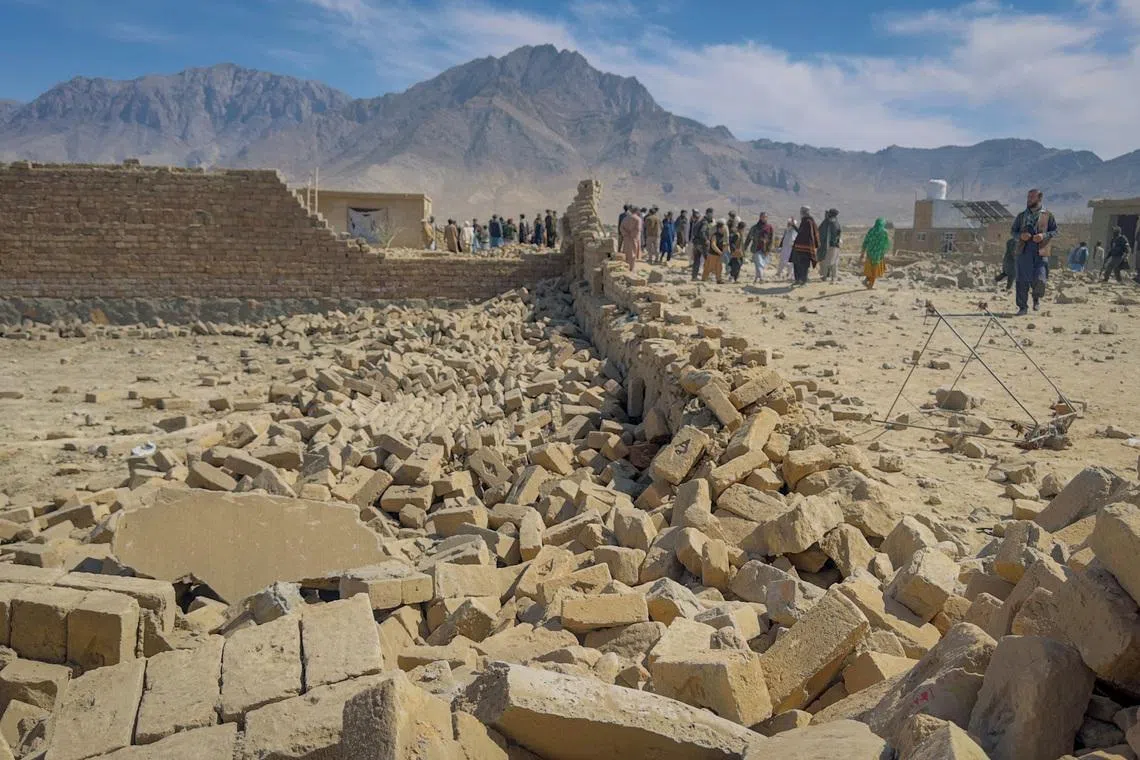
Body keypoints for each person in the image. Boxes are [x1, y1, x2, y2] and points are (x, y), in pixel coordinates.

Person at [1010, 188, 1058, 315]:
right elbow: (1013, 232)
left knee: (1040, 279)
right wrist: (1020, 236)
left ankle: (1036, 298)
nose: (1029, 200)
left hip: (1040, 251)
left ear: (1039, 198)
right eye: (1028, 197)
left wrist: (1043, 236)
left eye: (1032, 197)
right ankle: (1022, 307)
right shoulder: (1021, 216)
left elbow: (1055, 231)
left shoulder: (1048, 215)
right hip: (1024, 251)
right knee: (1022, 280)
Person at [790, 207, 820, 285]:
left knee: (804, 265)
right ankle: (798, 280)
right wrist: (793, 225)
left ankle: (803, 281)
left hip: (805, 247)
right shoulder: (806, 221)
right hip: (799, 247)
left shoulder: (808, 221)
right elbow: (801, 232)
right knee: (796, 263)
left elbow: (808, 234)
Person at [860, 218, 890, 288]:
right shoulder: (884, 232)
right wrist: (884, 251)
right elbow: (886, 243)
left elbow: (866, 241)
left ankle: (867, 280)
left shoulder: (871, 230)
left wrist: (862, 252)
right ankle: (870, 285)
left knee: (870, 268)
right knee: (875, 270)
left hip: (870, 253)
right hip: (878, 255)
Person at [746, 213, 774, 283]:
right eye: (762, 217)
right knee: (759, 263)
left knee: (761, 264)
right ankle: (761, 278)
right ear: (760, 217)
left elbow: (771, 239)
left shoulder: (769, 227)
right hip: (756, 248)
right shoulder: (755, 227)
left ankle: (756, 277)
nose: (764, 218)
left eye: (765, 217)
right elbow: (749, 237)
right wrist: (745, 247)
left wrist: (769, 249)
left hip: (765, 249)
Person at [818, 208, 842, 282]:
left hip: (830, 245)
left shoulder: (830, 223)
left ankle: (825, 276)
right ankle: (834, 277)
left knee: (826, 261)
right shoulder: (837, 223)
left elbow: (823, 233)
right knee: (834, 261)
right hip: (836, 245)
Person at [691, 208, 714, 280]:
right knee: (708, 260)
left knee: (697, 260)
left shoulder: (700, 221)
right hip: (702, 244)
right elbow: (702, 232)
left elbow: (694, 231)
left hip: (696, 243)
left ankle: (694, 276)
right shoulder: (704, 222)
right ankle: (707, 276)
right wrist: (706, 240)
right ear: (709, 214)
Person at [704, 218, 727, 283]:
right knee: (709, 267)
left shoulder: (723, 236)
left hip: (719, 255)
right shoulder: (715, 235)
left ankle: (718, 279)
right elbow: (713, 245)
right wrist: (720, 252)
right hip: (713, 254)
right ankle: (705, 279)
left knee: (719, 268)